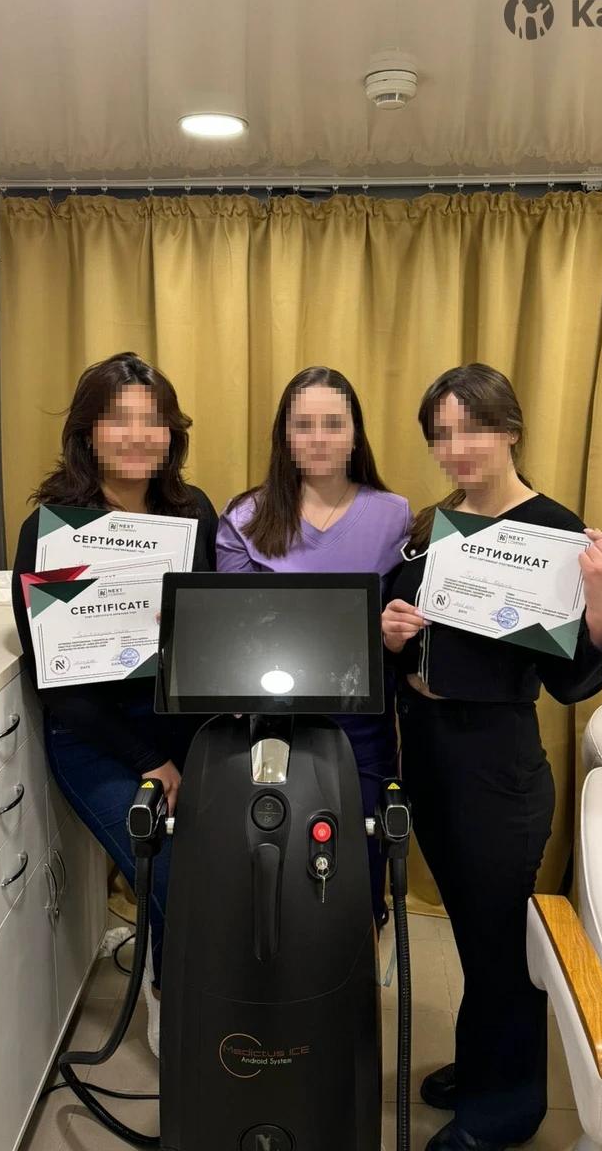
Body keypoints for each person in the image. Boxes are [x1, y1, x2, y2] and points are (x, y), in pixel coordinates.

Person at [383, 363, 602, 1151]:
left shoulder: (555, 533)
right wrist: (392, 632)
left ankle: (507, 1111)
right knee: (473, 931)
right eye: (441, 434)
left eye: (473, 429)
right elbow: (405, 633)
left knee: (502, 943)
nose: (456, 448)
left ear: (511, 430)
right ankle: (482, 1065)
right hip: (429, 758)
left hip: (496, 766)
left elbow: (570, 682)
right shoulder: (432, 526)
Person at [10, 352, 217, 1056]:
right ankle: (169, 1001)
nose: (136, 436)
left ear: (171, 432)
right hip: (96, 736)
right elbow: (55, 679)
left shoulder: (193, 513)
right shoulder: (53, 530)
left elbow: (209, 635)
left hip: (183, 730)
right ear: (88, 432)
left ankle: (191, 972)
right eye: (117, 420)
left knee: (217, 862)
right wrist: (150, 761)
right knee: (166, 869)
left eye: (152, 420)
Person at [216, 365, 411, 924]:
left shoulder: (394, 514)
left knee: (361, 868)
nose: (319, 438)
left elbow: (398, 630)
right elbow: (236, 633)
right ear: (284, 435)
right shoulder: (246, 517)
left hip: (361, 725)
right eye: (303, 425)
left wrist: (393, 631)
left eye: (333, 423)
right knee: (275, 868)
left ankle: (361, 959)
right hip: (269, 723)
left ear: (355, 433)